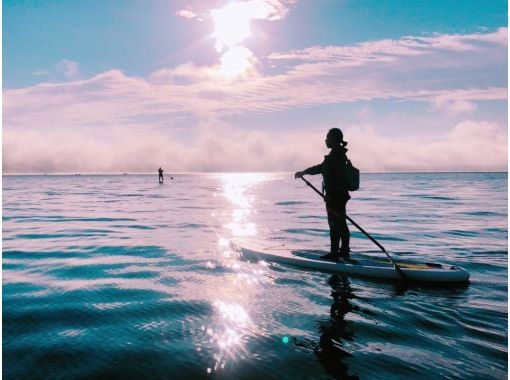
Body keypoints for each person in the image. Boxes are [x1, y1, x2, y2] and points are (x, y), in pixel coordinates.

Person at [295, 128, 351, 261]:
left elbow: (331, 175)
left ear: (335, 140)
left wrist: (330, 195)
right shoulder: (337, 155)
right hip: (339, 196)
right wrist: (305, 172)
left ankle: (334, 253)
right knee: (341, 223)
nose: (325, 140)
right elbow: (321, 168)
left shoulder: (335, 156)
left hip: (335, 197)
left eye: (328, 138)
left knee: (334, 224)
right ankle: (343, 251)